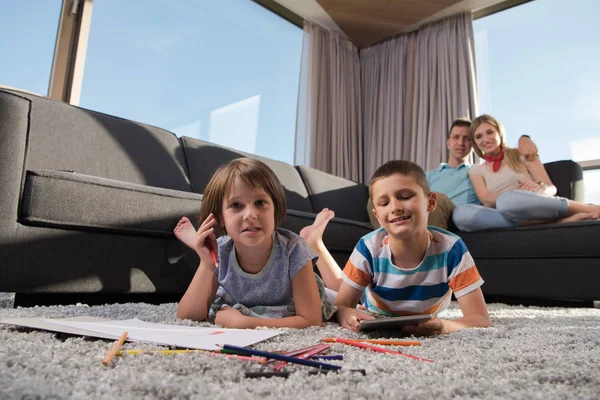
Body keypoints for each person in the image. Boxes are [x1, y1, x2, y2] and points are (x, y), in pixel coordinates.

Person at [302, 160, 491, 336]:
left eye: (405, 197)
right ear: (377, 215)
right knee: (339, 289)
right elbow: (342, 306)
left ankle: (315, 243)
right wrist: (343, 313)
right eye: (384, 203)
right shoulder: (368, 247)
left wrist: (444, 326)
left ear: (431, 202)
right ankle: (315, 244)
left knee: (344, 283)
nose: (395, 207)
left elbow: (479, 317)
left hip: (426, 309)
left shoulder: (452, 249)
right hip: (376, 305)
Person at [174, 158, 335, 328]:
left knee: (338, 301)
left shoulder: (295, 249)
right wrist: (207, 263)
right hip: (235, 282)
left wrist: (244, 322)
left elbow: (311, 320)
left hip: (312, 294)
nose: (250, 214)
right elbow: (188, 317)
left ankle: (314, 241)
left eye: (260, 203)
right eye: (236, 205)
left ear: (276, 209)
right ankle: (198, 242)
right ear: (220, 218)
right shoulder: (220, 250)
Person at [366, 118, 539, 230]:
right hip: (422, 214)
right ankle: (388, 250)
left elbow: (502, 166)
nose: (460, 143)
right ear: (448, 143)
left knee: (436, 199)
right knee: (374, 200)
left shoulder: (477, 171)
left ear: (473, 145)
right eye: (456, 137)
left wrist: (525, 137)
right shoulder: (430, 175)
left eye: (466, 139)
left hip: (454, 214)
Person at [452, 114, 600, 231]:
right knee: (461, 215)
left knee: (510, 201)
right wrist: (513, 193)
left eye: (489, 132)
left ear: (499, 132)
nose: (485, 139)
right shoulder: (476, 170)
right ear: (475, 143)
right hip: (501, 212)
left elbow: (550, 188)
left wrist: (539, 188)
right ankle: (557, 221)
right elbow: (486, 199)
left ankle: (589, 208)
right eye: (479, 136)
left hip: (529, 202)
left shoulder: (522, 153)